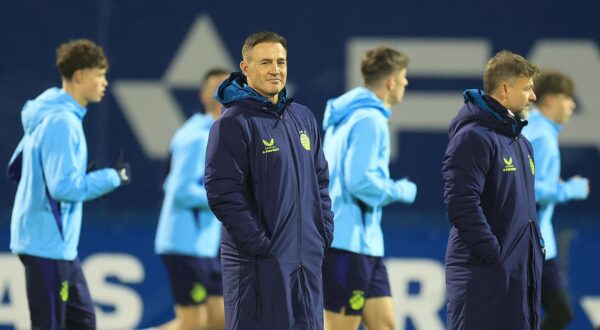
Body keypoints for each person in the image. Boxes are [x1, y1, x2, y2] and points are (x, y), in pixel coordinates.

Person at [204, 31, 334, 330]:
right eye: (265, 62)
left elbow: (321, 181)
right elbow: (222, 192)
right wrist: (261, 244)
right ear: (246, 68)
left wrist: (321, 231)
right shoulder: (232, 124)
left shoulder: (302, 117)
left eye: (281, 61)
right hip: (259, 267)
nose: (275, 69)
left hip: (306, 262)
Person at [6, 39, 131, 330]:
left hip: (55, 244)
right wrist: (113, 177)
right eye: (99, 74)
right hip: (46, 243)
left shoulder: (51, 114)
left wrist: (81, 179)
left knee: (83, 321)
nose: (105, 82)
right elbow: (64, 188)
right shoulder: (62, 121)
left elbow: (22, 170)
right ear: (80, 76)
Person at [442, 50, 544, 329]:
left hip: (518, 277)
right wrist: (494, 255)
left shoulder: (522, 144)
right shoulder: (472, 138)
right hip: (483, 277)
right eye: (527, 88)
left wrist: (534, 249)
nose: (533, 96)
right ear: (505, 89)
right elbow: (461, 204)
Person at [320, 46, 417, 330]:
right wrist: (400, 190)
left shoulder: (348, 116)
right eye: (403, 77)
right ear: (390, 81)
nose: (405, 83)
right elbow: (359, 181)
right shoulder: (370, 120)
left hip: (363, 245)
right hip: (347, 245)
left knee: (385, 326)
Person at [155, 68, 229, 330]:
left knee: (219, 320)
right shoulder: (196, 137)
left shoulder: (220, 133)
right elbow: (179, 190)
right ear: (203, 95)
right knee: (194, 325)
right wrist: (226, 197)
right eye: (215, 86)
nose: (222, 91)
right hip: (185, 244)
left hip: (205, 247)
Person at [521, 69, 590, 330]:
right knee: (559, 313)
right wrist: (570, 189)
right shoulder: (542, 136)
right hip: (531, 243)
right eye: (567, 97)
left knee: (550, 313)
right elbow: (526, 191)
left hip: (535, 242)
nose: (572, 104)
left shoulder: (535, 130)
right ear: (549, 99)